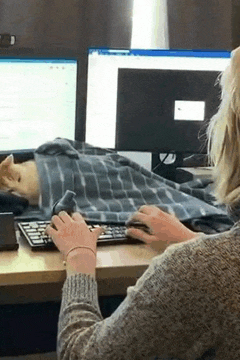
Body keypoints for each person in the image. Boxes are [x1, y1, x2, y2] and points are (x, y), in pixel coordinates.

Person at [45, 47, 240, 360]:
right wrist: (195, 241)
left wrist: (80, 258)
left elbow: (80, 354)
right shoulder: (208, 265)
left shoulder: (193, 271)